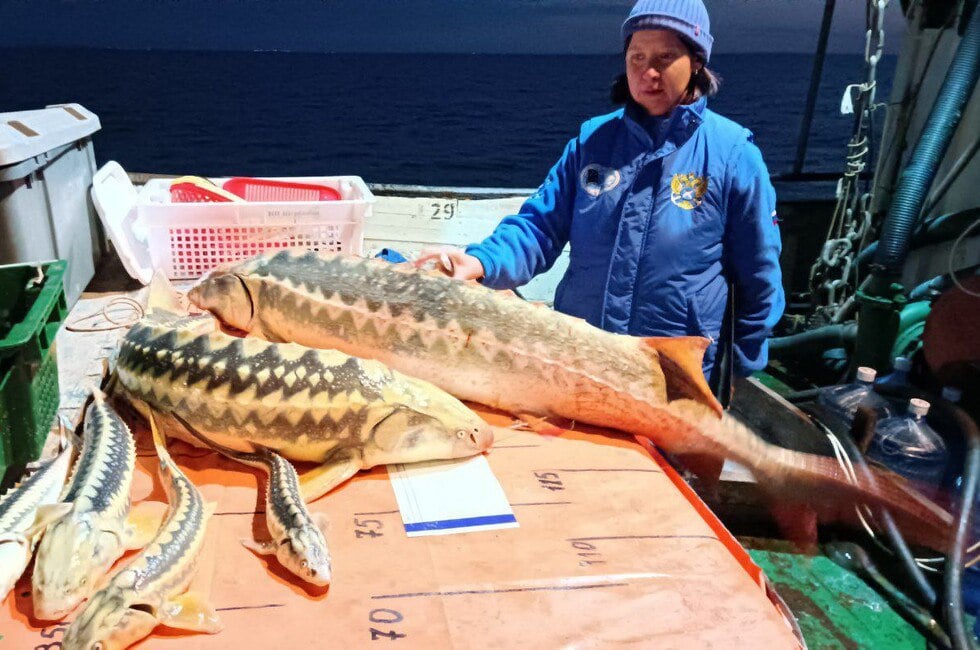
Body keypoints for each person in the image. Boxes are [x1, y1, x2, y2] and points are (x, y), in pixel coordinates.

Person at [415, 0, 785, 386]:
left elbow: (759, 272)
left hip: (676, 373)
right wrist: (480, 262)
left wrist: (736, 368)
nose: (648, 72)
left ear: (695, 62)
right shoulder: (592, 141)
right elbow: (539, 228)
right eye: (637, 57)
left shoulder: (733, 154)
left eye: (665, 57)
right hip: (581, 356)